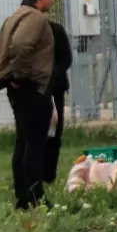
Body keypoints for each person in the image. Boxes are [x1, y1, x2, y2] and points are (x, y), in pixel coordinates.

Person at [0, 0, 59, 210]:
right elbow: (19, 46)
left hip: (19, 88)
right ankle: (35, 196)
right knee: (35, 144)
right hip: (31, 87)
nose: (52, 0)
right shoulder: (36, 18)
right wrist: (18, 75)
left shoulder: (15, 15)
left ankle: (22, 198)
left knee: (23, 141)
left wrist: (5, 74)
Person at [43, 20, 73, 186]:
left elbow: (66, 58)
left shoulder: (55, 30)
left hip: (55, 88)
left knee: (54, 132)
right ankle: (33, 174)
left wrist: (53, 74)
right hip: (34, 88)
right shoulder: (25, 30)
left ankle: (49, 174)